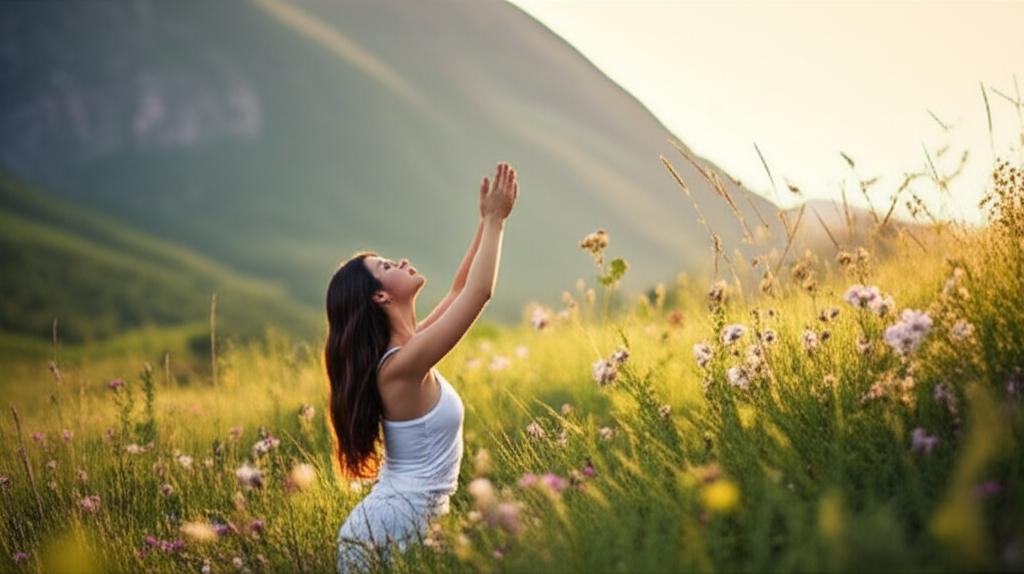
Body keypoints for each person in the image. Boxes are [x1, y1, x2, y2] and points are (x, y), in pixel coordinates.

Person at [325, 162, 519, 573]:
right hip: (385, 529)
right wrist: (495, 222)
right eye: (387, 266)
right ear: (379, 298)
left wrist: (487, 221)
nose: (402, 261)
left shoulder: (408, 352)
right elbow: (479, 293)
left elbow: (460, 289)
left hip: (402, 524)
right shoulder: (399, 368)